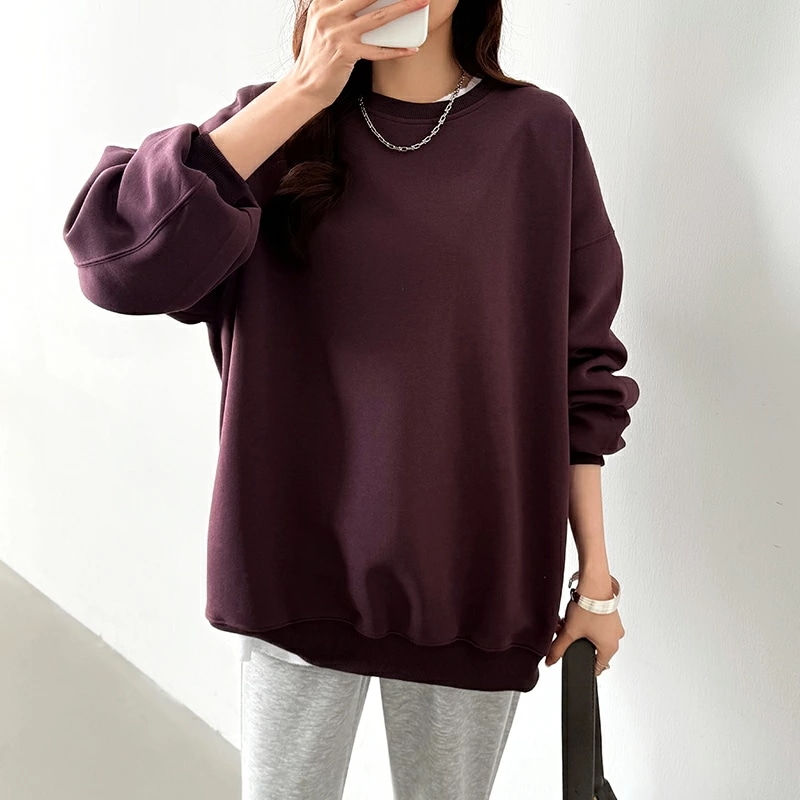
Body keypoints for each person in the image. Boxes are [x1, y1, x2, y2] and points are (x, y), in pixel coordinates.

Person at [62, 0, 640, 797]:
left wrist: (595, 583)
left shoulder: (537, 135)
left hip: (473, 578)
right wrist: (303, 90)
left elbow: (583, 374)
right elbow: (115, 262)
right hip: (293, 570)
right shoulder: (273, 124)